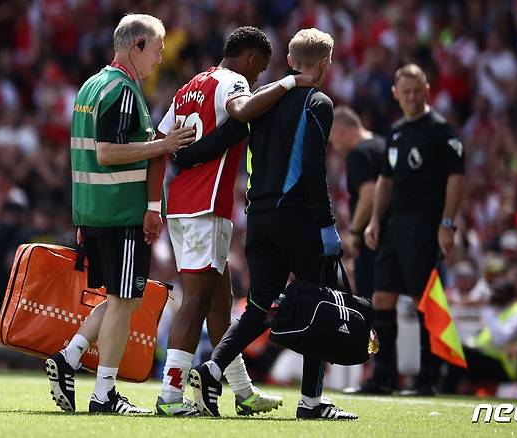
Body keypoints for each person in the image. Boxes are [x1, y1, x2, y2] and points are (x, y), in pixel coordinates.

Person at [190, 28, 357, 420]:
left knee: (258, 307)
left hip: (258, 221)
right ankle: (311, 403)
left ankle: (212, 370)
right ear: (325, 64)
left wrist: (184, 155)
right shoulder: (319, 102)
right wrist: (327, 224)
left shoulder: (262, 102)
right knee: (321, 302)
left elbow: (224, 136)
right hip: (297, 218)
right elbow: (314, 168)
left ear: (289, 62)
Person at [153, 26, 315, 417]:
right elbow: (243, 111)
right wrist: (290, 82)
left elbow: (165, 138)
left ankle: (242, 390)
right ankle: (170, 396)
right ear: (253, 58)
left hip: (186, 202)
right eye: (261, 70)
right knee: (195, 301)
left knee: (221, 303)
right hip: (203, 205)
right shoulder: (234, 80)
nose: (258, 79)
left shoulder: (190, 85)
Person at [44, 14, 196, 415]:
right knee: (124, 298)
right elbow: (107, 152)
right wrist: (164, 146)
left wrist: (82, 216)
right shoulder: (123, 89)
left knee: (119, 299)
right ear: (137, 46)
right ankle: (104, 394)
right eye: (158, 50)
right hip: (118, 211)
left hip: (94, 210)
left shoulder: (91, 86)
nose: (160, 60)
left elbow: (86, 153)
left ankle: (69, 359)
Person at [364, 64, 465, 396]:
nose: (411, 97)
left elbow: (456, 178)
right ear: (396, 94)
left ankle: (428, 378)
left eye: (417, 91)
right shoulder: (395, 132)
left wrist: (447, 223)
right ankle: (384, 376)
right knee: (381, 298)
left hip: (426, 225)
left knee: (425, 301)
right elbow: (385, 180)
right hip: (394, 226)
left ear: (427, 91)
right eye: (405, 92)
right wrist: (375, 220)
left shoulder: (440, 131)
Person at [328, 105, 391, 394]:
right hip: (394, 237)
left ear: (341, 131)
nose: (335, 148)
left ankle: (379, 376)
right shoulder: (381, 145)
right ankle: (388, 374)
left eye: (334, 140)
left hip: (372, 240)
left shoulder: (359, 154)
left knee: (372, 307)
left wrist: (354, 230)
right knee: (388, 306)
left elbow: (367, 195)